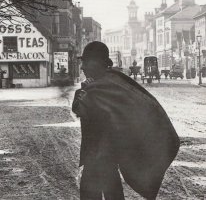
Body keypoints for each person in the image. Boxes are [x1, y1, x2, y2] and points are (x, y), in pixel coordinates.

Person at [72, 41, 180, 200]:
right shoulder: (96, 86)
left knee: (102, 192)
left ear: (96, 63)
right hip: (97, 157)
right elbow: (78, 109)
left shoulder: (109, 85)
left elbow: (137, 111)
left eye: (86, 62)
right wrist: (83, 92)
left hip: (104, 157)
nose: (82, 67)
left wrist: (86, 94)